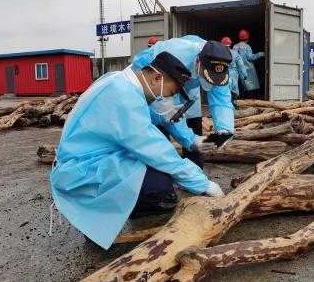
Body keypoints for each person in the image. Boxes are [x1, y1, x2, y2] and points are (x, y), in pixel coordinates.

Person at [50, 51, 224, 250]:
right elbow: (156, 150)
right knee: (159, 181)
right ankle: (104, 217)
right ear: (157, 78)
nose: (170, 99)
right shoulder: (125, 99)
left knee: (156, 172)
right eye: (172, 93)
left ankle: (130, 206)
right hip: (80, 172)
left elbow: (161, 121)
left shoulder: (120, 82)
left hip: (86, 159)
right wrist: (202, 183)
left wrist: (194, 141)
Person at [132, 35, 234, 169]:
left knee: (194, 133)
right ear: (198, 61)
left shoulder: (219, 63)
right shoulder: (175, 54)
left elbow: (222, 101)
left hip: (190, 91)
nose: (211, 82)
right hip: (157, 90)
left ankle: (196, 171)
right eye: (207, 76)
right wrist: (190, 140)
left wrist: (224, 130)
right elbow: (167, 111)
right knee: (160, 136)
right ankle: (160, 174)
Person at [233, 29, 265, 98]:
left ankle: (239, 101)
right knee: (249, 88)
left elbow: (233, 57)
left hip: (237, 70)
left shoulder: (235, 46)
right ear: (247, 38)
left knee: (239, 87)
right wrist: (261, 54)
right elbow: (251, 57)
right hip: (248, 70)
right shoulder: (247, 47)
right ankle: (249, 102)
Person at [221, 36, 248, 104]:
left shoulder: (219, 53)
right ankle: (234, 107)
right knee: (234, 91)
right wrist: (245, 75)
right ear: (230, 44)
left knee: (223, 92)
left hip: (222, 75)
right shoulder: (235, 54)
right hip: (233, 76)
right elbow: (241, 65)